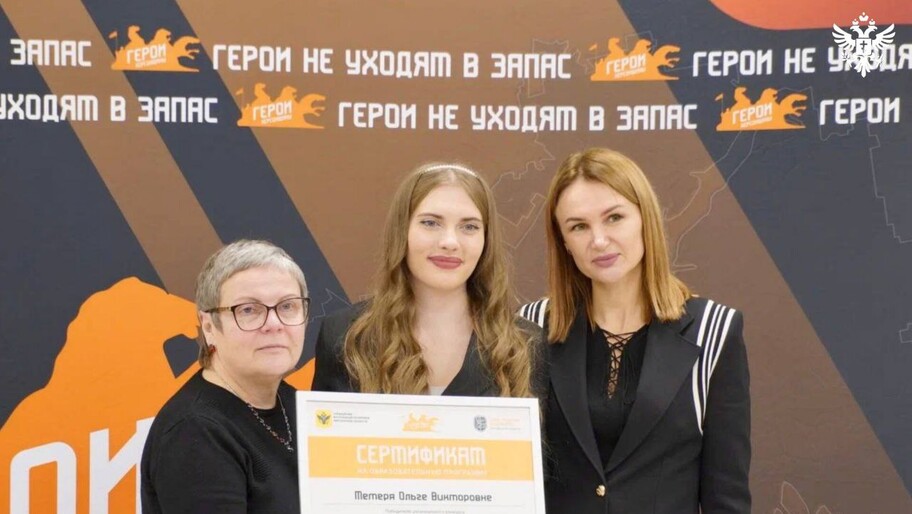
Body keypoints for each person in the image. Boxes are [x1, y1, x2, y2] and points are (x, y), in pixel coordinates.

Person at [520, 148, 750, 513]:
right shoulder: (531, 327)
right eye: (578, 226)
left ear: (646, 219)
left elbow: (726, 497)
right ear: (564, 242)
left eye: (614, 218)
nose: (598, 240)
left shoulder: (714, 330)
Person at [312, 163, 541, 398]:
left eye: (469, 226)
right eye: (431, 223)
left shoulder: (526, 344)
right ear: (401, 231)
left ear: (486, 240)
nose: (450, 242)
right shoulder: (345, 336)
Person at [141, 239, 308, 513]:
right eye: (248, 310)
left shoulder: (297, 405)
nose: (274, 324)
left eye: (287, 306)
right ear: (208, 327)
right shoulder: (194, 433)